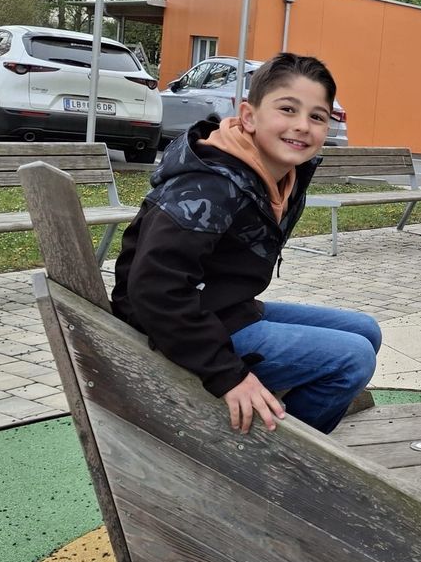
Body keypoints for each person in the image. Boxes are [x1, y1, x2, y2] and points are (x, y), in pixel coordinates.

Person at [112, 52, 381, 436]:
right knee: (353, 359)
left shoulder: (282, 176)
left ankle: (280, 416)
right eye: (287, 109)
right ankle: (276, 459)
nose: (302, 126)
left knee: (366, 330)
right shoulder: (210, 183)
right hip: (171, 324)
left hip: (222, 308)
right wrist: (229, 375)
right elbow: (153, 289)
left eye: (317, 116)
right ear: (249, 116)